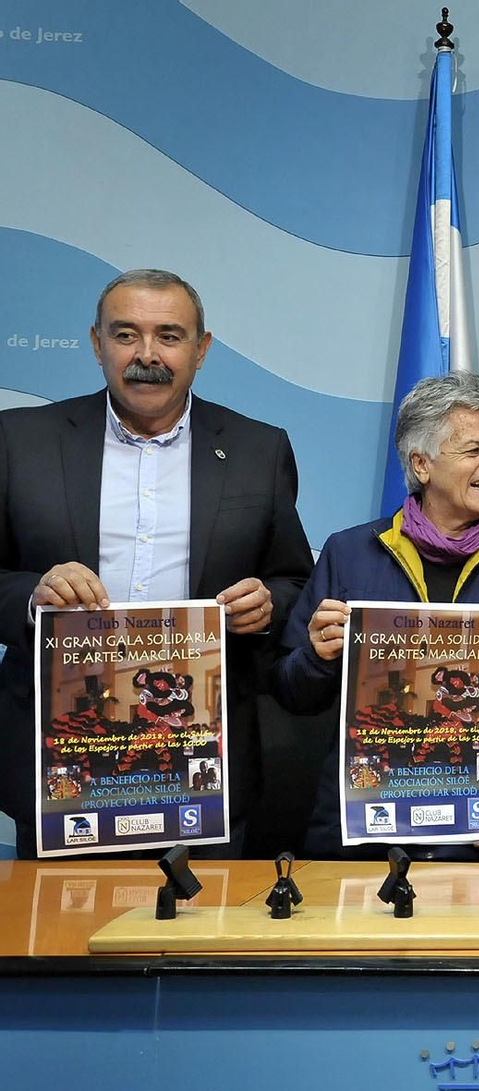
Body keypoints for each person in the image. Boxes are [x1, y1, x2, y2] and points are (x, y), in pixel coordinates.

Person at [0, 269, 313, 858]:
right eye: (126, 335)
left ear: (202, 349)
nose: (148, 355)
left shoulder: (258, 449)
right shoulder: (19, 441)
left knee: (197, 942)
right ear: (96, 344)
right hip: (63, 760)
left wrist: (268, 606)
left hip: (203, 762)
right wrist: (31, 596)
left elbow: (296, 580)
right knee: (63, 944)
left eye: (169, 336)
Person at [271, 373, 479, 860]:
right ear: (421, 463)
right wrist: (317, 657)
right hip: (366, 841)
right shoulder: (350, 553)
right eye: (474, 450)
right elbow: (291, 692)